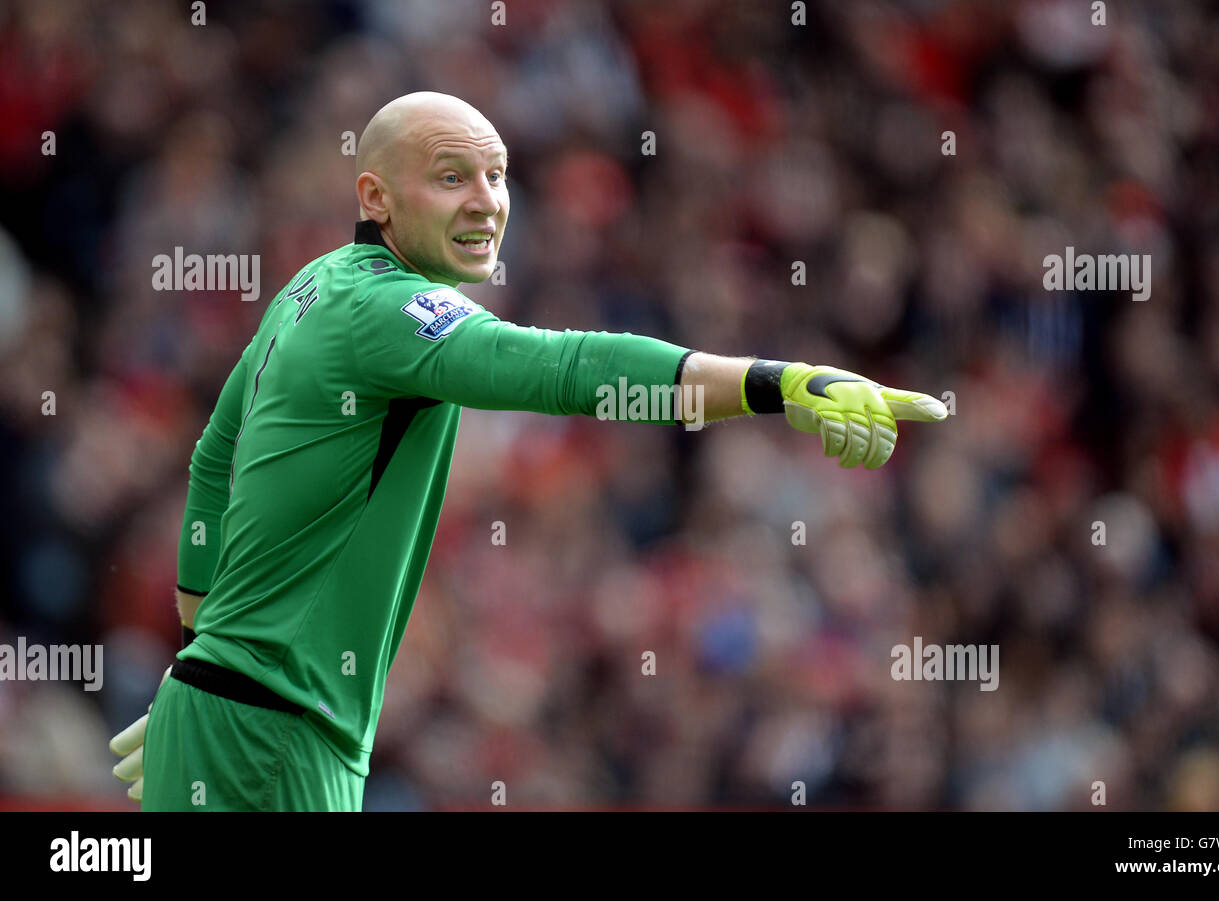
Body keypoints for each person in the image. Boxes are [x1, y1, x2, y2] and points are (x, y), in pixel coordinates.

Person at [107, 92, 947, 811]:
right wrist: (779, 381)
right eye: (450, 177)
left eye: (497, 174)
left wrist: (204, 663)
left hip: (224, 714)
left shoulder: (310, 287)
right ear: (377, 195)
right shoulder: (387, 312)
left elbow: (215, 461)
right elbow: (564, 369)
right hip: (275, 736)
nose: (486, 201)